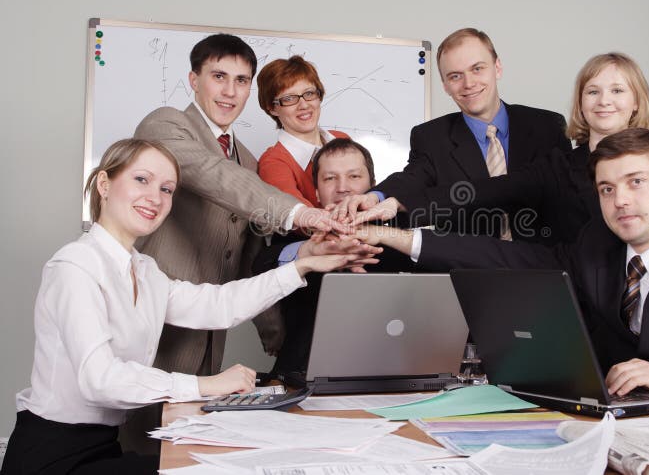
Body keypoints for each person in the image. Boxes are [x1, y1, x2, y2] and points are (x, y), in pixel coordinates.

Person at [355, 129, 649, 423]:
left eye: (636, 182)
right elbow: (506, 257)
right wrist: (397, 238)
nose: (620, 200)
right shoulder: (597, 245)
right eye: (607, 189)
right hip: (622, 437)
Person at [0, 139, 352, 475]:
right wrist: (205, 385)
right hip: (50, 456)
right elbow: (100, 379)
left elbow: (219, 305)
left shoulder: (144, 270)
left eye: (166, 189)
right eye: (142, 180)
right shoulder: (76, 265)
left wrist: (301, 265)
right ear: (104, 184)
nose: (155, 197)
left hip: (100, 444)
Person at [128, 34, 352, 453]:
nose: (230, 91)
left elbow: (251, 258)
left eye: (242, 80)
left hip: (213, 329)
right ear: (194, 80)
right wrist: (302, 213)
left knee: (190, 446)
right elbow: (213, 175)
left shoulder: (246, 160)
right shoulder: (165, 125)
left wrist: (277, 337)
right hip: (157, 320)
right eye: (218, 77)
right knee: (143, 444)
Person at [346, 52, 649, 245]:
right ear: (580, 101)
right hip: (573, 299)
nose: (604, 101)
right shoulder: (558, 165)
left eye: (617, 91)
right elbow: (483, 192)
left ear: (636, 101)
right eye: (593, 91)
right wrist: (399, 202)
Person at [332, 28, 571, 241]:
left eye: (477, 69)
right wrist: (377, 196)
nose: (468, 83)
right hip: (469, 272)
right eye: (455, 76)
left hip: (545, 266)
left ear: (497, 68)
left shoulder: (548, 127)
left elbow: (566, 201)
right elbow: (413, 178)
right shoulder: (431, 137)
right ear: (445, 85)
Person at [252, 138, 414, 378]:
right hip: (303, 378)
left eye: (354, 177)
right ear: (316, 192)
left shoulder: (403, 233)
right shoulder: (293, 235)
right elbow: (261, 266)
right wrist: (312, 250)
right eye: (330, 178)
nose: (343, 188)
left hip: (396, 375)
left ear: (373, 186)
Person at [256, 55, 349, 206]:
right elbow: (301, 218)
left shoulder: (342, 139)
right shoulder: (273, 163)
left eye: (309, 93)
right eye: (289, 98)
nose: (304, 105)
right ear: (272, 108)